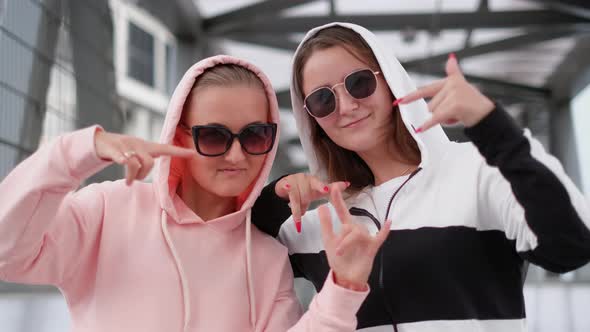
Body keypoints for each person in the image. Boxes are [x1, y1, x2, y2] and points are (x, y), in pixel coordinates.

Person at [0, 55, 391, 331]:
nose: (237, 154)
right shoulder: (107, 210)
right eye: (214, 136)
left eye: (255, 135)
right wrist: (79, 151)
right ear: (179, 133)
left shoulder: (266, 259)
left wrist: (343, 288)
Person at [251, 23, 590, 332]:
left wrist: (493, 125)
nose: (346, 105)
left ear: (390, 81)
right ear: (312, 120)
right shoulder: (317, 224)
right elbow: (230, 254)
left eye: (359, 83)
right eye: (322, 99)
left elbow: (571, 247)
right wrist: (274, 200)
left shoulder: (479, 171)